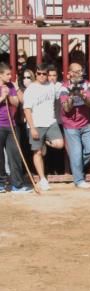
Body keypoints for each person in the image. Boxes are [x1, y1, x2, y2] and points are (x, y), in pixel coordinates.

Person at [23, 62, 64, 191]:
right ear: (36, 74)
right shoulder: (31, 89)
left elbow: (62, 93)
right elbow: (27, 109)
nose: (41, 76)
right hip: (36, 123)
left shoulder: (51, 86)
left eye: (44, 74)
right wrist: (32, 127)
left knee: (60, 144)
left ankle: (45, 142)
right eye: (39, 73)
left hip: (50, 122)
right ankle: (42, 179)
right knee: (37, 152)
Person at [60, 63, 90, 189]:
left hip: (85, 123)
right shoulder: (64, 87)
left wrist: (82, 96)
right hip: (71, 125)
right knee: (76, 152)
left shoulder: (86, 84)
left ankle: (77, 167)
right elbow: (66, 108)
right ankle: (79, 180)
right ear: (70, 73)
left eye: (81, 71)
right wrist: (71, 97)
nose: (80, 74)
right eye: (77, 72)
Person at [0, 62, 32, 194]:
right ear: (0, 74)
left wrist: (10, 95)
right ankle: (1, 184)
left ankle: (17, 185)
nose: (10, 76)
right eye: (7, 74)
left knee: (15, 154)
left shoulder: (10, 85)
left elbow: (17, 102)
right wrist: (2, 97)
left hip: (11, 125)